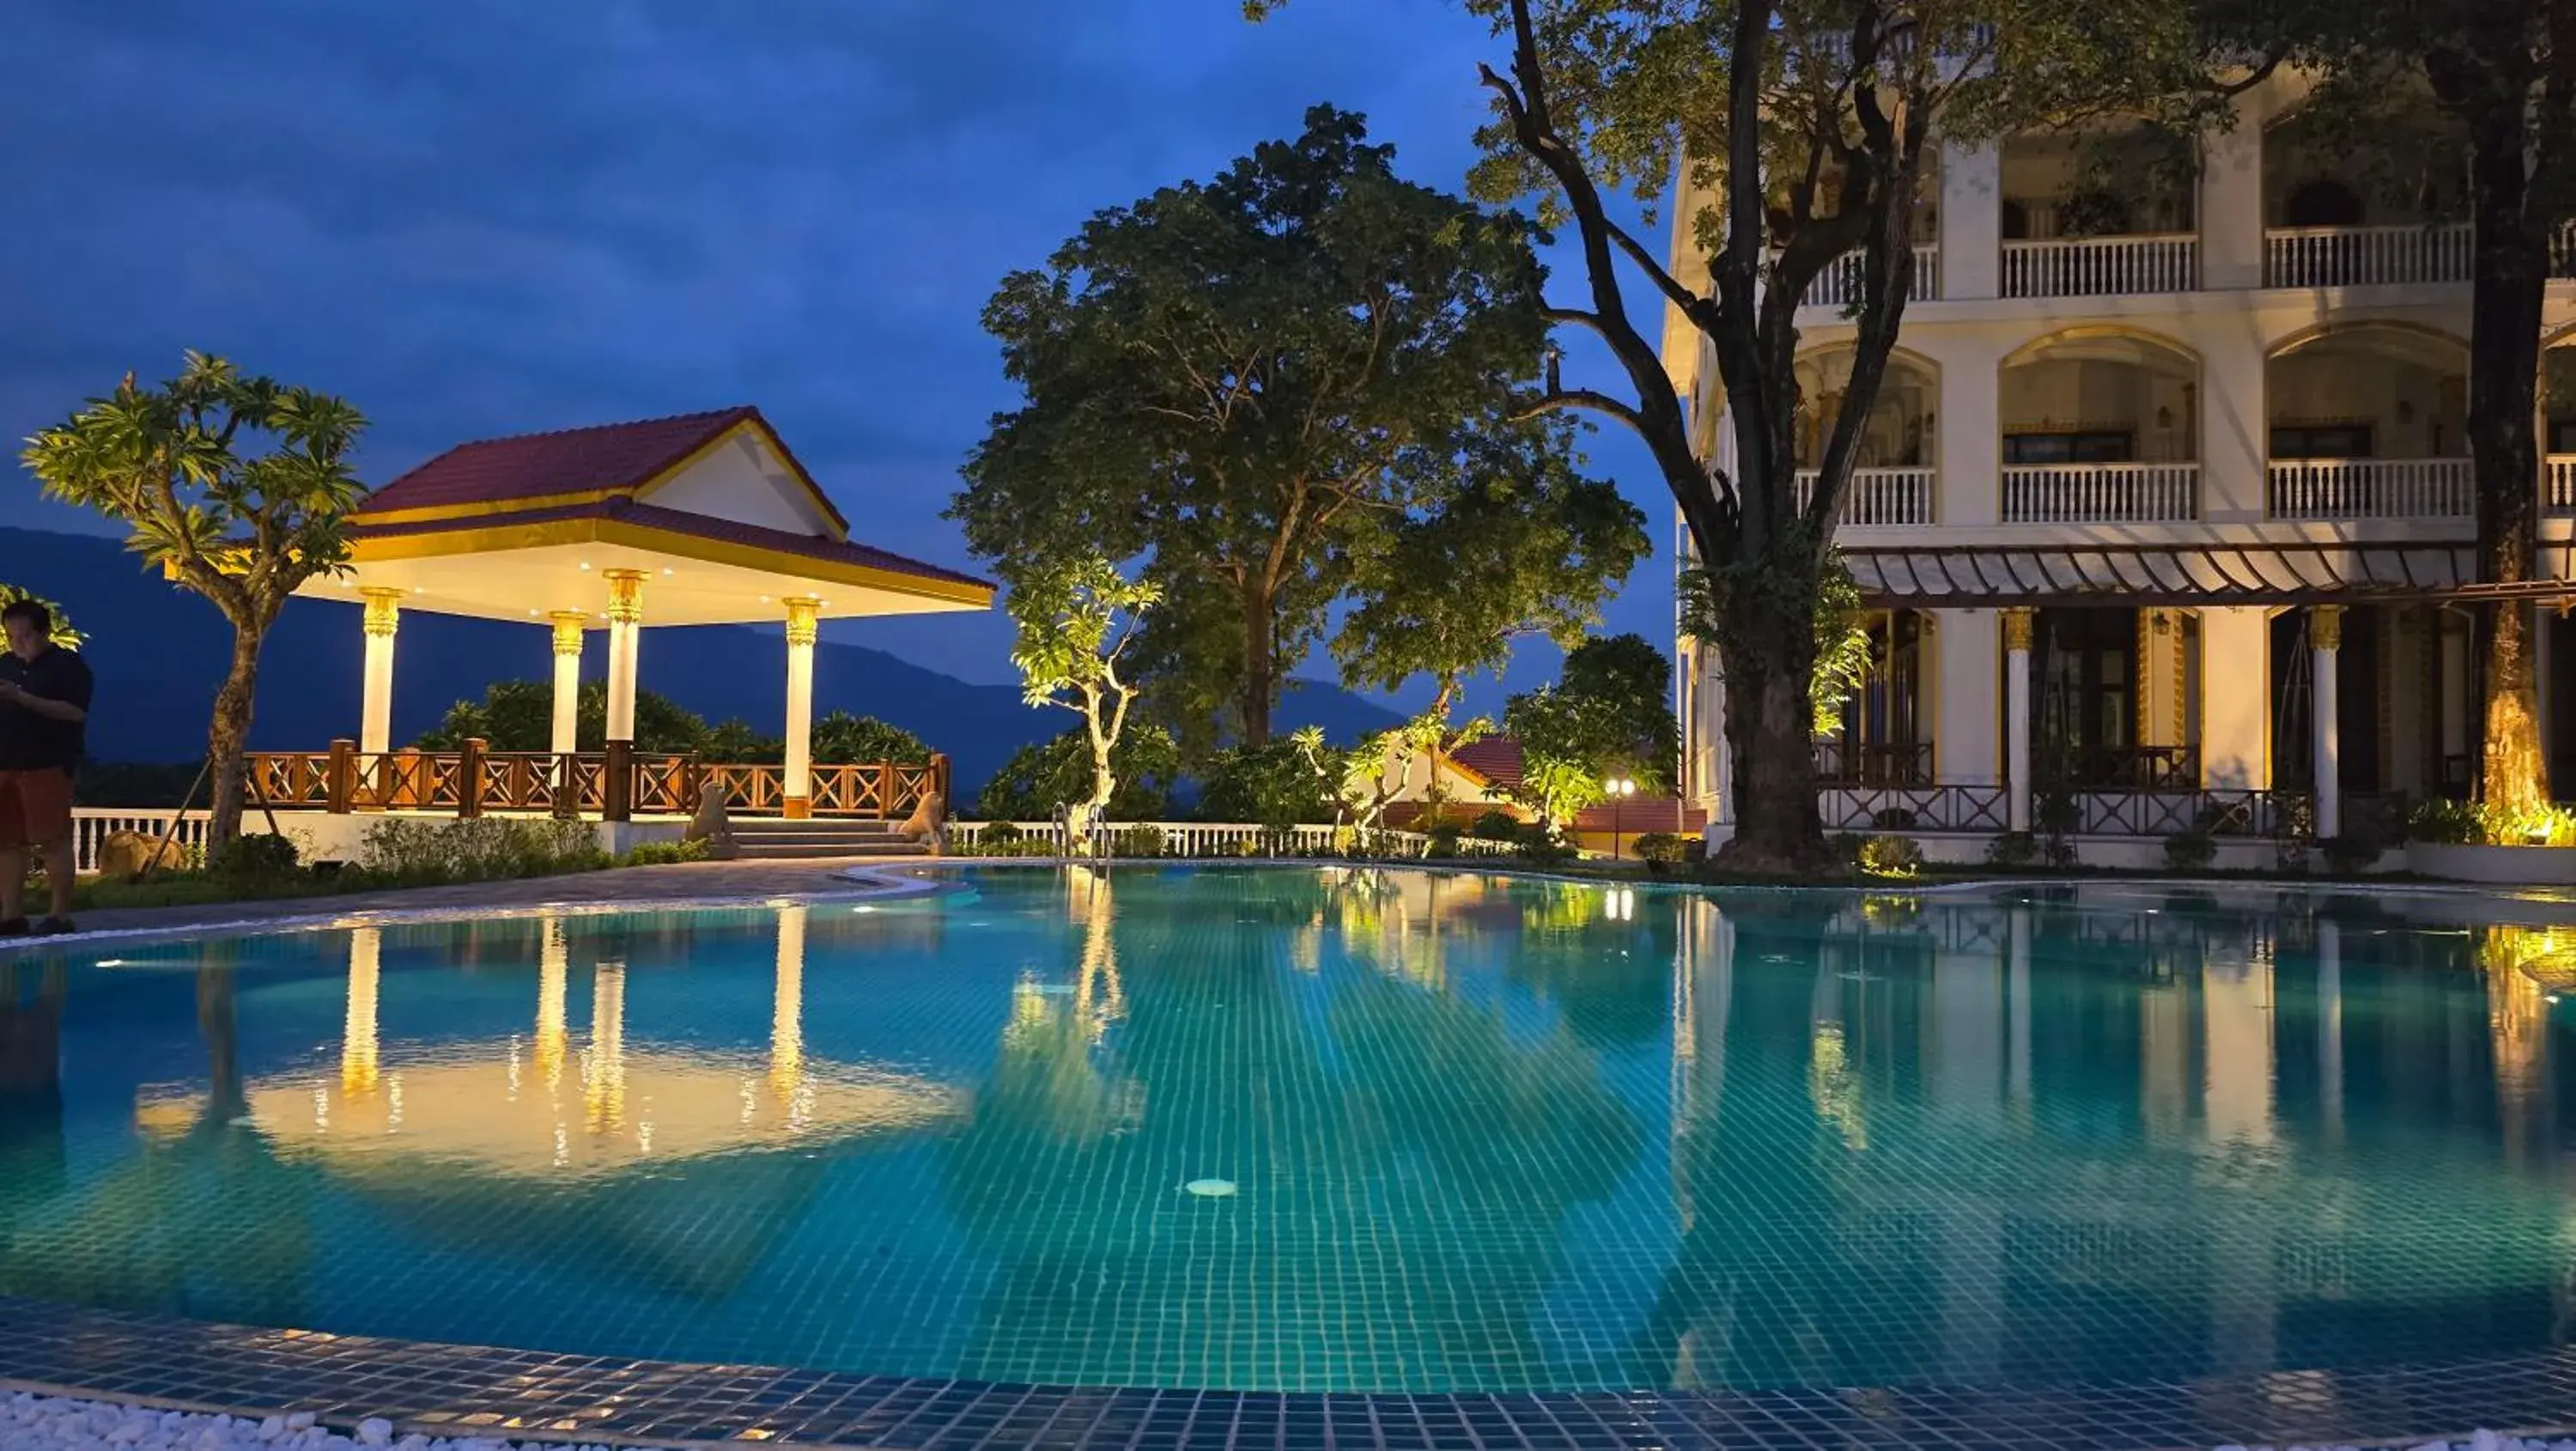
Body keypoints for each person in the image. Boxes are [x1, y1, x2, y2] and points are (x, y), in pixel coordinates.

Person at [0, 599, 92, 935]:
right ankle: (11, 915)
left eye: (25, 636)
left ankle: (59, 915)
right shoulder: (4, 665)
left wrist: (22, 697)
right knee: (7, 841)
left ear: (44, 632)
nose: (18, 643)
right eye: (11, 636)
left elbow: (75, 712)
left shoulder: (67, 667)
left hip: (47, 765)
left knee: (52, 840)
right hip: (5, 763)